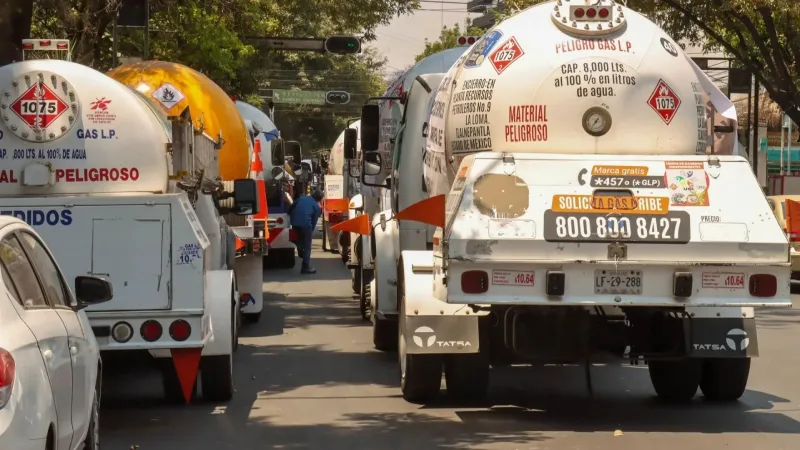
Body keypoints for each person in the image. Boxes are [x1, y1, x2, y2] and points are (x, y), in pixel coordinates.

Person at [289, 189, 323, 274]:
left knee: (298, 238)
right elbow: (313, 222)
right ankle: (305, 267)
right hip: (306, 226)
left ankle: (300, 246)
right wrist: (310, 233)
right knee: (307, 246)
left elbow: (291, 207)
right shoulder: (317, 207)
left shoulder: (301, 198)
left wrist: (289, 213)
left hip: (294, 223)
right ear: (320, 199)